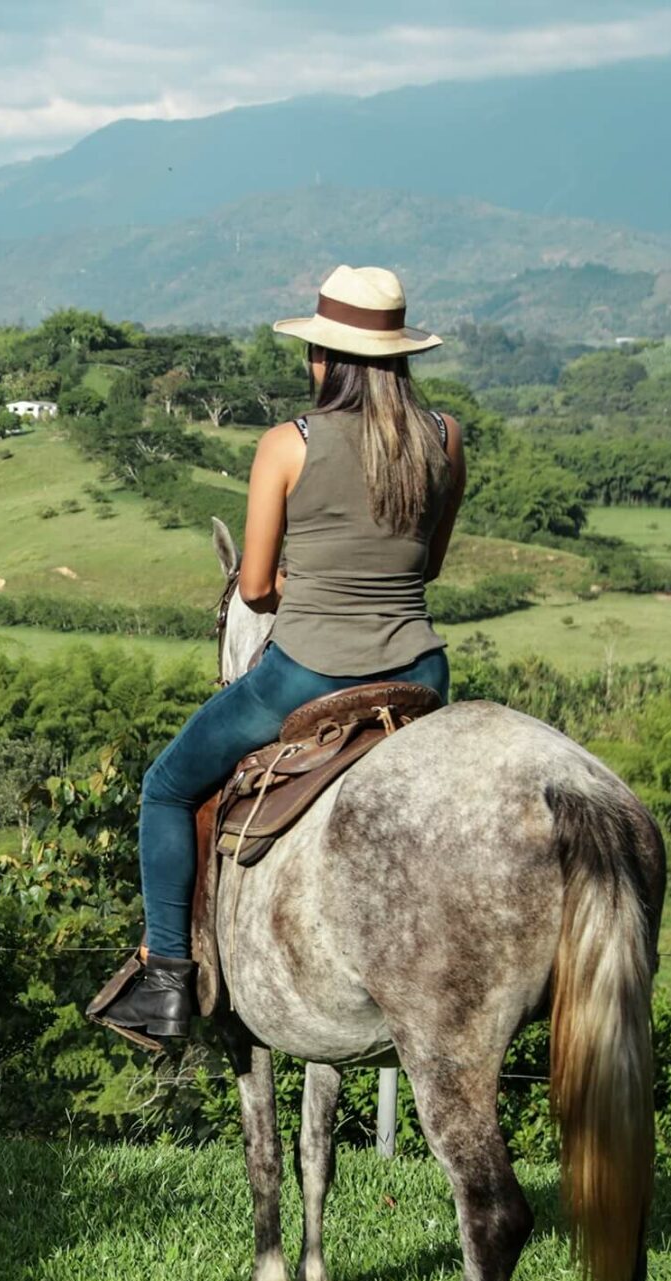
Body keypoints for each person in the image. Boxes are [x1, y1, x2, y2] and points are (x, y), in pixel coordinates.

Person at [89, 264, 466, 1046]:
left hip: (310, 672)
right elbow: (426, 567)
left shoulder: (287, 444)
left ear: (324, 360)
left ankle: (164, 976)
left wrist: (309, 576)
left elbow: (256, 589)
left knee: (164, 786)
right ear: (399, 358)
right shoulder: (445, 438)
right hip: (421, 673)